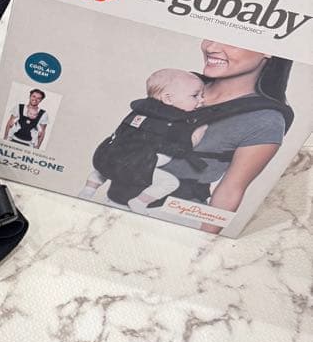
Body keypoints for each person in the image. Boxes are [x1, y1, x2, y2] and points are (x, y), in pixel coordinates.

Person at [146, 42, 293, 234]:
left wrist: (202, 241)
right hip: (116, 196)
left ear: (269, 50)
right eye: (212, 37)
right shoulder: (179, 84)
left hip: (171, 217)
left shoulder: (265, 119)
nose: (211, 47)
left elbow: (231, 190)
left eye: (232, 42)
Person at [79, 68, 205, 206]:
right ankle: (139, 202)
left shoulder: (140, 110)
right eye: (195, 96)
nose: (202, 100)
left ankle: (88, 189)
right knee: (170, 182)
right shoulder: (175, 120)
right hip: (139, 166)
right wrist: (199, 131)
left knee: (103, 170)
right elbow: (182, 148)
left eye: (202, 95)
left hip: (108, 158)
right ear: (168, 98)